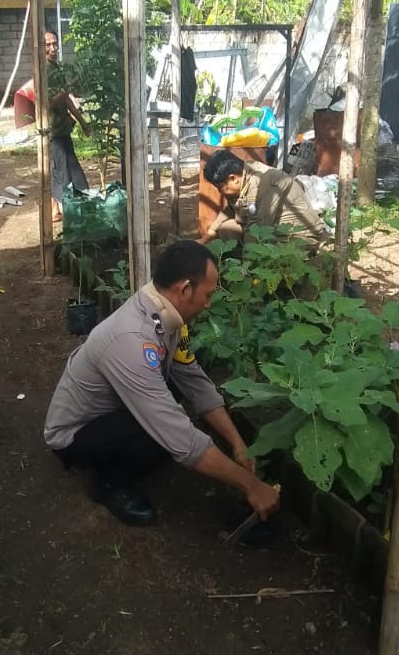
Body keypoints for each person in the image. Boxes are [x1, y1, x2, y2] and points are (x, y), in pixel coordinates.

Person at [44, 240, 280, 528]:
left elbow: (194, 380)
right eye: (207, 295)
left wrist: (237, 442)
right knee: (159, 437)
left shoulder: (165, 315)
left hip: (113, 409)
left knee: (174, 398)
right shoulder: (132, 340)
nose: (208, 304)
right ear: (185, 289)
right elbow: (177, 434)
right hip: (75, 434)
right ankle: (108, 484)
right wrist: (251, 486)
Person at [13, 29, 89, 221]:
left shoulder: (56, 68)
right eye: (48, 45)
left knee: (64, 170)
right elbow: (45, 104)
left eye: (55, 44)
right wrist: (65, 92)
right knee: (62, 173)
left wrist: (82, 121)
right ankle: (65, 212)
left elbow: (67, 100)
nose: (53, 48)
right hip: (52, 131)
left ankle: (56, 210)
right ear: (40, 48)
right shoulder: (43, 72)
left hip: (62, 129)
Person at [201, 148, 329, 247]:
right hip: (272, 228)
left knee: (265, 255)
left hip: (298, 236)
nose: (220, 192)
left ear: (233, 178)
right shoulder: (243, 174)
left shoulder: (261, 185)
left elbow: (256, 233)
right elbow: (229, 210)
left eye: (220, 187)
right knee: (226, 229)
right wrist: (204, 240)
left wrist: (246, 269)